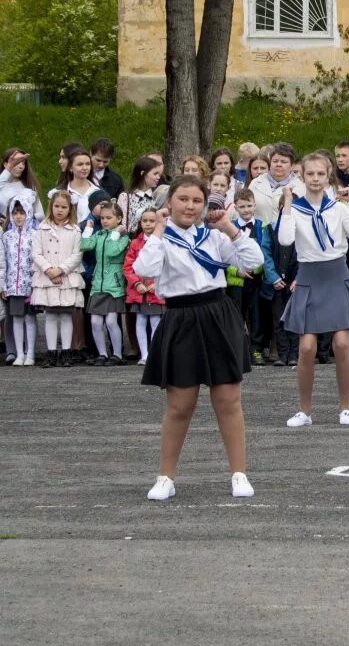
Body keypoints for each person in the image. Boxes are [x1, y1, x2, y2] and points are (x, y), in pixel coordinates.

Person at [133, 174, 263, 501]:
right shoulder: (160, 239)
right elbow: (145, 269)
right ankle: (165, 477)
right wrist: (159, 230)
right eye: (183, 199)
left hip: (218, 315)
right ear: (169, 203)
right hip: (180, 319)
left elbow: (254, 261)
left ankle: (238, 473)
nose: (190, 206)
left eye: (197, 201)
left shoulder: (213, 237)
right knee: (180, 404)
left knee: (228, 400)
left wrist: (229, 228)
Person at [278, 153, 349, 428]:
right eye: (310, 174)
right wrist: (286, 204)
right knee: (306, 347)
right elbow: (285, 239)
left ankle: (345, 407)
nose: (315, 179)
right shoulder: (296, 209)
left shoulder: (338, 208)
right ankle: (305, 411)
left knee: (341, 344)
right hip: (309, 276)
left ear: (328, 176)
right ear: (301, 177)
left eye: (320, 174)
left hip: (336, 274)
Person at [32, 190, 84, 367]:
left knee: (66, 315)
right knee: (51, 315)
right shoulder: (41, 228)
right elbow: (36, 253)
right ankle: (51, 351)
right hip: (47, 277)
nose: (59, 210)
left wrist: (61, 270)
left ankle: (67, 352)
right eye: (56, 206)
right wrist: (49, 270)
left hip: (67, 277)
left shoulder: (75, 230)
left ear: (70, 209)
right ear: (51, 207)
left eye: (64, 207)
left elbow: (77, 255)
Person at [227, 189, 279, 365]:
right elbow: (222, 255)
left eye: (249, 205)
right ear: (235, 207)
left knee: (257, 315)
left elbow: (265, 253)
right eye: (242, 206)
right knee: (236, 316)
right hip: (236, 280)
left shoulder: (263, 226)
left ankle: (257, 349)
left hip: (257, 280)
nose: (246, 210)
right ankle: (237, 351)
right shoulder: (228, 227)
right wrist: (236, 271)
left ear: (255, 205)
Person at [81, 202, 129, 365]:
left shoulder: (123, 237)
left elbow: (111, 252)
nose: (105, 221)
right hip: (98, 285)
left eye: (109, 218)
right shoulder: (99, 235)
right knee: (95, 322)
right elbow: (84, 245)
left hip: (114, 286)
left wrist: (116, 234)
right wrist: (88, 229)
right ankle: (102, 353)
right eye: (102, 218)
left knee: (110, 321)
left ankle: (117, 354)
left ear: (119, 218)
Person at [123, 208, 166, 366]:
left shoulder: (163, 242)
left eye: (152, 221)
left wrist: (158, 283)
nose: (148, 224)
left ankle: (153, 355)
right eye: (145, 221)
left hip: (155, 290)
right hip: (139, 291)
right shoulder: (135, 243)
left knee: (155, 321)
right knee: (140, 320)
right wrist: (137, 283)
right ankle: (144, 354)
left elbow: (167, 266)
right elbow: (128, 267)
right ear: (140, 223)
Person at [0, 199, 37, 365]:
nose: (18, 217)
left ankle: (30, 354)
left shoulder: (34, 235)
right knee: (16, 318)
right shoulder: (7, 236)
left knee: (29, 318)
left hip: (29, 285)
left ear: (28, 213)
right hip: (12, 286)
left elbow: (36, 260)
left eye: (22, 213)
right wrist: (3, 285)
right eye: (15, 213)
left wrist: (35, 282)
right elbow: (3, 261)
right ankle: (19, 353)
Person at [249, 142, 305, 226]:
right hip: (259, 234)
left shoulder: (300, 188)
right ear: (270, 163)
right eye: (275, 161)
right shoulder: (256, 183)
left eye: (283, 162)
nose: (279, 164)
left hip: (286, 236)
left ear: (292, 165)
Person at [118, 156, 169, 235]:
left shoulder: (155, 197)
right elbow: (121, 224)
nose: (158, 177)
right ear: (143, 173)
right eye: (155, 174)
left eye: (159, 174)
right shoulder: (125, 197)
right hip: (130, 242)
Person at [52, 146, 101, 224]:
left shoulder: (98, 192)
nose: (85, 168)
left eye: (87, 164)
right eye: (80, 164)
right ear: (70, 168)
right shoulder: (58, 192)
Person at [0, 148, 44, 222]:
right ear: (5, 164)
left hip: (25, 231)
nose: (21, 167)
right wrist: (9, 168)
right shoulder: (2, 184)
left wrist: (24, 218)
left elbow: (41, 214)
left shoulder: (28, 186)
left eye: (23, 163)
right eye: (17, 163)